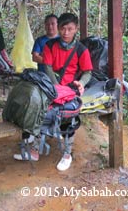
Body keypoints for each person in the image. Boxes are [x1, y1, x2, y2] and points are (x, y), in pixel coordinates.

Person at [14, 13, 92, 171]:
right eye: (63, 28)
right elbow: (48, 67)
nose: (66, 32)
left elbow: (87, 72)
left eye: (70, 29)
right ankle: (34, 151)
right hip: (51, 87)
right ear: (59, 27)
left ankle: (67, 154)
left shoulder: (81, 50)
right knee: (38, 112)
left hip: (70, 89)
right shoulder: (50, 46)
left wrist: (81, 83)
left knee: (69, 120)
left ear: (76, 29)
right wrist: (56, 89)